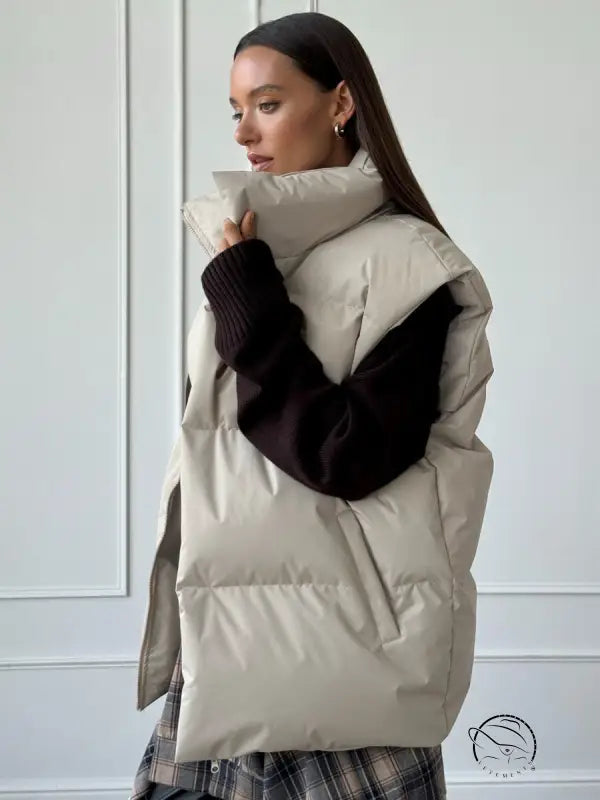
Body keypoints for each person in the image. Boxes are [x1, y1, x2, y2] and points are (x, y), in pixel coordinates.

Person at [129, 11, 493, 800]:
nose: (242, 132)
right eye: (236, 110)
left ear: (340, 103)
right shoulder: (255, 250)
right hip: (227, 654)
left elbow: (347, 456)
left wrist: (249, 300)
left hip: (340, 669)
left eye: (267, 104)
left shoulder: (412, 266)